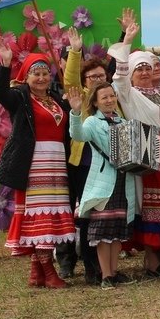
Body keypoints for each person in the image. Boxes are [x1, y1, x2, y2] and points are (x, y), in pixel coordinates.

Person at [109, 14, 160, 277]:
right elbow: (118, 80)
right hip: (146, 154)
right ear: (131, 74)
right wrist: (127, 42)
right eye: (138, 69)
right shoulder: (130, 94)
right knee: (151, 207)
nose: (144, 72)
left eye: (147, 67)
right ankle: (152, 262)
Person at [0, 49, 76, 288]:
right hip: (34, 163)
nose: (41, 78)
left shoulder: (55, 100)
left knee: (49, 216)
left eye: (44, 73)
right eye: (36, 74)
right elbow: (0, 94)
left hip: (56, 163)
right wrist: (6, 64)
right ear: (26, 77)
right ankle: (49, 272)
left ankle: (35, 272)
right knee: (40, 218)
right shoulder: (20, 97)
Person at [68, 83, 136, 288]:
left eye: (112, 96)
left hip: (124, 181)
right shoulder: (92, 122)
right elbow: (77, 135)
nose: (109, 100)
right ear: (96, 102)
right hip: (104, 182)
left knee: (117, 229)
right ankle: (105, 275)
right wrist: (75, 111)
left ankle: (114, 272)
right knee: (103, 231)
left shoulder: (123, 121)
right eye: (104, 97)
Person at [58, 27, 113, 283]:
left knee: (104, 217)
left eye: (100, 75)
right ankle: (89, 267)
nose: (95, 79)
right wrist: (75, 51)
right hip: (83, 166)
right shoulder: (79, 97)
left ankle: (104, 269)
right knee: (86, 216)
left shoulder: (112, 98)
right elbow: (70, 79)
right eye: (90, 76)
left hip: (110, 168)